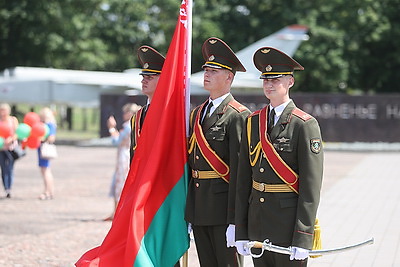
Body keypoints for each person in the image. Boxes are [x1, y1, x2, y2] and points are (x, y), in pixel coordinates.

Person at [234, 47, 324, 266]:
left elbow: (310, 187)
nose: (269, 84)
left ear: (290, 82)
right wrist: (241, 230)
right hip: (258, 222)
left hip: (288, 225)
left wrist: (303, 236)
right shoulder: (253, 122)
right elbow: (244, 179)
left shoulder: (304, 124)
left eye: (276, 79)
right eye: (266, 79)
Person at [185, 37, 251, 267]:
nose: (207, 74)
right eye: (206, 69)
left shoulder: (238, 115)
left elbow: (241, 173)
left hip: (224, 212)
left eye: (214, 70)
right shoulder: (197, 113)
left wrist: (236, 221)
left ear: (229, 77)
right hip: (200, 208)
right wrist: (190, 210)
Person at [105, 103, 141, 220]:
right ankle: (116, 211)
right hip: (125, 154)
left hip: (124, 155)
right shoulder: (133, 125)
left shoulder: (128, 126)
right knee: (119, 181)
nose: (124, 114)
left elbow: (117, 141)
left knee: (120, 182)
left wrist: (111, 128)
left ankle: (118, 212)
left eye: (126, 112)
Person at [129, 45, 165, 162]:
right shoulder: (137, 117)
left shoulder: (169, 114)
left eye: (149, 77)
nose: (143, 81)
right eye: (143, 76)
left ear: (163, 79)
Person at [37, 107, 57, 200]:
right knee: (45, 170)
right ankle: (49, 191)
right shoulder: (47, 124)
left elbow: (51, 138)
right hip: (41, 149)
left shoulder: (49, 125)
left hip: (44, 149)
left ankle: (47, 191)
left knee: (46, 171)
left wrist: (42, 139)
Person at [0, 103, 19, 198]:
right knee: (3, 168)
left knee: (10, 168)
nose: (2, 112)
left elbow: (17, 133)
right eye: (1, 110)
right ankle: (6, 187)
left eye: (4, 110)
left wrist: (10, 139)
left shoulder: (13, 120)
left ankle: (9, 187)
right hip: (1, 147)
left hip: (11, 147)